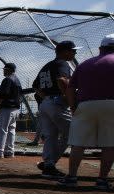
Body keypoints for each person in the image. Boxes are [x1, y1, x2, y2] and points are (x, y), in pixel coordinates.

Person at [59, 34, 114, 190]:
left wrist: (74, 107)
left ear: (100, 48)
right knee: (109, 145)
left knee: (78, 143)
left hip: (86, 104)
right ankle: (102, 180)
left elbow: (70, 88)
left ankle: (72, 177)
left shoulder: (84, 64)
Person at [32, 40, 79, 178]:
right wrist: (69, 99)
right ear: (64, 51)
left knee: (50, 136)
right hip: (57, 103)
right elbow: (62, 80)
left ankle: (48, 165)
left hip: (46, 103)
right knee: (72, 133)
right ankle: (50, 163)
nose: (75, 53)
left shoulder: (47, 65)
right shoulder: (62, 63)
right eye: (72, 50)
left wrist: (46, 96)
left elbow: (35, 86)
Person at [0, 62, 22, 158]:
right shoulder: (18, 80)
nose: (4, 71)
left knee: (2, 129)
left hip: (7, 108)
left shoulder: (7, 79)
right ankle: (9, 152)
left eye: (5, 69)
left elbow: (3, 95)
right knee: (11, 130)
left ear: (9, 70)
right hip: (15, 109)